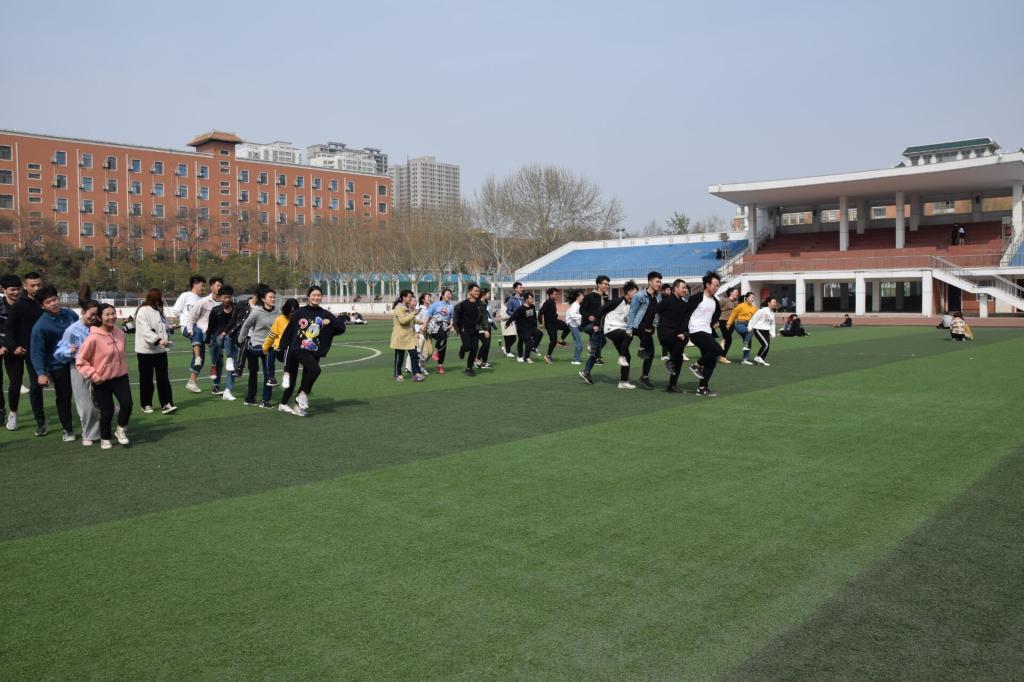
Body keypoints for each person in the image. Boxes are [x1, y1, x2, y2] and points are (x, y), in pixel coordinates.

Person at [277, 286, 344, 417]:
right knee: (315, 370)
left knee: (307, 377)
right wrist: (281, 348)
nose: (316, 297)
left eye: (318, 295)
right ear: (308, 296)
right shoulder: (299, 312)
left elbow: (341, 327)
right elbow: (289, 331)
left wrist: (330, 322)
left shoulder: (324, 313)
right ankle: (301, 395)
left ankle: (298, 406)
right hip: (299, 348)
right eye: (314, 295)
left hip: (314, 350)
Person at [76, 303, 133, 449]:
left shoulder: (120, 333)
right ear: (100, 318)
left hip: (120, 376)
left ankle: (120, 430)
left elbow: (121, 352)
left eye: (113, 314)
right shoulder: (93, 338)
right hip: (101, 380)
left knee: (127, 404)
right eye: (107, 315)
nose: (111, 317)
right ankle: (105, 437)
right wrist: (94, 375)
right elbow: (81, 361)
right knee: (107, 412)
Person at [29, 285, 79, 440]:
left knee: (89, 390)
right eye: (48, 302)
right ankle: (68, 430)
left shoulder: (70, 314)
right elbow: (37, 352)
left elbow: (82, 329)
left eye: (54, 299)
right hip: (58, 366)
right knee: (64, 397)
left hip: (77, 361)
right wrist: (41, 373)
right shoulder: (40, 326)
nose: (53, 303)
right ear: (42, 306)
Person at [54, 292, 101, 445]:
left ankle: (103, 429)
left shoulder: (98, 328)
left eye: (96, 315)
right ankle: (89, 435)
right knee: (85, 405)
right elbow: (59, 353)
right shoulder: (72, 330)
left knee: (102, 402)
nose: (94, 317)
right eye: (91, 314)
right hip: (79, 369)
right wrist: (69, 351)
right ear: (83, 312)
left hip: (99, 368)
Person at [4, 272, 45, 433]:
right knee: (15, 384)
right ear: (26, 286)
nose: (36, 288)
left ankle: (40, 421)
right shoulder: (19, 305)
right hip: (15, 351)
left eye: (38, 285)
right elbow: (8, 328)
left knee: (36, 385)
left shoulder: (44, 303)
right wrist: (13, 346)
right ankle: (13, 414)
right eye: (32, 285)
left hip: (35, 351)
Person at [681, 271, 724, 397]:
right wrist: (682, 331)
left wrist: (714, 323)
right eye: (715, 285)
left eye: (718, 286)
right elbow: (684, 313)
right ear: (707, 284)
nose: (716, 288)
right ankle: (696, 365)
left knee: (711, 361)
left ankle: (702, 388)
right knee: (718, 350)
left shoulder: (715, 301)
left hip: (707, 332)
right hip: (695, 331)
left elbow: (715, 314)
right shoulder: (696, 298)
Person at [134, 288, 177, 415]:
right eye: (161, 297)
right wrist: (158, 340)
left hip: (160, 350)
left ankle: (167, 403)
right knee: (146, 378)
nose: (162, 299)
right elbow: (145, 330)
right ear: (155, 298)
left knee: (163, 378)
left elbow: (161, 326)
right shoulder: (143, 310)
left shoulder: (159, 310)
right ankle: (146, 404)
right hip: (145, 351)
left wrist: (170, 327)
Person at [237, 288, 279, 407]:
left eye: (274, 297)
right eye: (270, 297)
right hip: (255, 345)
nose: (273, 299)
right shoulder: (256, 312)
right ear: (263, 299)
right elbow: (246, 325)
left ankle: (265, 400)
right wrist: (241, 340)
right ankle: (250, 397)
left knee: (268, 372)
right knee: (253, 371)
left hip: (269, 346)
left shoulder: (278, 313)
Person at [205, 285, 245, 401]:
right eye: (224, 297)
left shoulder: (237, 309)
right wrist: (207, 340)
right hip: (217, 339)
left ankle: (228, 390)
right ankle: (216, 384)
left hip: (231, 339)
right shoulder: (215, 311)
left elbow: (239, 324)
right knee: (217, 363)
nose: (227, 299)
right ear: (219, 298)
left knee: (231, 366)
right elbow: (210, 327)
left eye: (229, 297)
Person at [626, 271, 663, 389]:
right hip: (639, 325)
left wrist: (655, 325)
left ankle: (644, 375)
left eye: (660, 282)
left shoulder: (658, 296)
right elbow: (632, 312)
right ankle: (642, 349)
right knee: (649, 347)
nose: (659, 284)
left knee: (651, 352)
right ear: (650, 282)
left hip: (650, 326)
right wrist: (629, 328)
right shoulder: (639, 295)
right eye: (657, 281)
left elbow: (658, 313)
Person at [170, 275, 206, 393]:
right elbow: (175, 311)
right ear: (195, 284)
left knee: (202, 357)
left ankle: (192, 382)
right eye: (202, 285)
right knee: (196, 331)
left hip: (200, 329)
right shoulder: (185, 296)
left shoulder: (203, 300)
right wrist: (183, 319)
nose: (203, 288)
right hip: (187, 327)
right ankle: (197, 357)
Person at [603, 280, 640, 389]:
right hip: (611, 329)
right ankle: (621, 356)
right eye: (635, 292)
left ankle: (623, 382)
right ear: (628, 292)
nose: (636, 295)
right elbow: (602, 309)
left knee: (628, 356)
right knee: (628, 334)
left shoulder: (631, 305)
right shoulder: (617, 301)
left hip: (621, 329)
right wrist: (596, 324)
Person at [655, 279, 690, 394]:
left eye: (685, 288)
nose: (685, 290)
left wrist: (681, 332)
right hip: (665, 333)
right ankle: (670, 361)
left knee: (679, 358)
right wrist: (648, 326)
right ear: (675, 288)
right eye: (683, 288)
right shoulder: (667, 301)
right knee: (682, 342)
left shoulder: (684, 304)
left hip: (676, 334)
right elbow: (654, 311)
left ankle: (672, 385)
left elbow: (684, 321)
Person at [578, 275, 611, 381]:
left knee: (603, 341)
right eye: (605, 284)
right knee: (596, 346)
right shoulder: (589, 296)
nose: (607, 286)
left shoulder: (605, 297)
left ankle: (592, 354)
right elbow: (581, 310)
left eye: (608, 284)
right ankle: (592, 349)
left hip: (599, 326)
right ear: (598, 284)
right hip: (588, 325)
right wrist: (588, 316)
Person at [263, 297, 298, 391]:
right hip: (280, 349)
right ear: (286, 310)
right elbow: (271, 335)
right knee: (272, 350)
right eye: (291, 311)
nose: (292, 314)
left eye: (294, 311)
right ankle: (273, 377)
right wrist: (265, 347)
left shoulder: (299, 320)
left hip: (294, 351)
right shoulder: (279, 320)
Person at [390, 290, 424, 382]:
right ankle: (398, 374)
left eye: (411, 297)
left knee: (414, 355)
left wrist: (423, 322)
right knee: (400, 357)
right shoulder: (398, 308)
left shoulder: (407, 307)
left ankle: (416, 374)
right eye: (409, 297)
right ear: (403, 297)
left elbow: (412, 320)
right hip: (400, 337)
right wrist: (414, 313)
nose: (411, 298)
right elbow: (403, 321)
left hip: (409, 337)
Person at [0, 274, 20, 426]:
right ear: (4, 290)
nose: (16, 292)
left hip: (15, 348)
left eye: (18, 289)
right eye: (12, 289)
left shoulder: (23, 305)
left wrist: (9, 345)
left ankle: (13, 413)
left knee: (15, 382)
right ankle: (1, 410)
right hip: (1, 347)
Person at [452, 284, 483, 376]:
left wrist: (485, 329)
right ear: (470, 292)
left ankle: (469, 368)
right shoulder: (463, 304)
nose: (477, 292)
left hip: (475, 329)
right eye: (475, 291)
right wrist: (455, 327)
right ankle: (463, 348)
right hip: (464, 328)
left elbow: (484, 316)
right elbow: (456, 313)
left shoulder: (480, 304)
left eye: (478, 291)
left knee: (474, 349)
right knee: (468, 346)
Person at [425, 289, 455, 374]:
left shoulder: (451, 306)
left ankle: (440, 366)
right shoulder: (436, 304)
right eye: (447, 294)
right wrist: (424, 325)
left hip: (444, 326)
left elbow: (452, 317)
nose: (449, 295)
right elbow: (428, 315)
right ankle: (436, 351)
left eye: (450, 294)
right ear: (442, 295)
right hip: (434, 325)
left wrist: (451, 325)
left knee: (444, 345)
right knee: (443, 337)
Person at [538, 288, 570, 364]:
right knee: (553, 340)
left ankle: (561, 341)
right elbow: (540, 312)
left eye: (557, 294)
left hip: (556, 321)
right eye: (555, 294)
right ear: (550, 295)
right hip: (550, 325)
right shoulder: (547, 303)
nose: (557, 295)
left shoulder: (553, 302)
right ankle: (548, 356)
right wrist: (540, 323)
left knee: (567, 328)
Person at [508, 291, 541, 363]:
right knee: (523, 341)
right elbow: (513, 316)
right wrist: (507, 324)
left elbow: (534, 317)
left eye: (532, 298)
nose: (532, 300)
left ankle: (532, 348)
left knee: (539, 334)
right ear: (526, 299)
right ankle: (522, 356)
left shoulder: (532, 306)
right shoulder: (521, 308)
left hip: (530, 327)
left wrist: (535, 325)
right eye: (531, 299)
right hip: (522, 329)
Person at [725, 291, 758, 365]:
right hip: (740, 325)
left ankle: (745, 360)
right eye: (751, 297)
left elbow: (757, 317)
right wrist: (729, 323)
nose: (752, 299)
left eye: (753, 298)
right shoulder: (740, 306)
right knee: (750, 331)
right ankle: (745, 344)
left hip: (748, 325)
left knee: (749, 342)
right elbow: (733, 314)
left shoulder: (754, 308)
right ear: (746, 298)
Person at [749, 297, 779, 366]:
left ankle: (761, 360)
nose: (775, 304)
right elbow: (754, 318)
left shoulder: (772, 313)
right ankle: (757, 357)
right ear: (768, 303)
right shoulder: (763, 310)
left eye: (775, 302)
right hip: (758, 329)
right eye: (773, 302)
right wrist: (750, 327)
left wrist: (773, 333)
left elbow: (772, 324)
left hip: (766, 331)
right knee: (765, 345)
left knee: (767, 347)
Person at [717, 286, 739, 363]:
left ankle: (722, 355)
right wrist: (716, 320)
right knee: (728, 338)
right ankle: (722, 355)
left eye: (737, 292)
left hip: (732, 322)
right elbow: (716, 308)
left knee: (728, 339)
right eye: (736, 292)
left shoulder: (735, 303)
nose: (737, 293)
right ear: (731, 292)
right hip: (723, 321)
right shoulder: (724, 300)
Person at [474, 288, 495, 369]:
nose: (489, 295)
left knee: (488, 345)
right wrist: (485, 329)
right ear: (483, 294)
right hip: (481, 327)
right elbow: (481, 317)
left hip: (487, 326)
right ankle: (477, 359)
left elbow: (486, 316)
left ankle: (484, 362)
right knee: (486, 344)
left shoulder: (485, 302)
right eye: (488, 293)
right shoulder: (478, 303)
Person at [503, 282, 525, 356]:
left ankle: (524, 353)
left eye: (522, 287)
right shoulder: (511, 300)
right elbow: (508, 311)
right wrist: (515, 315)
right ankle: (520, 355)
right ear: (515, 289)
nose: (521, 289)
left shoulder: (523, 299)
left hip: (525, 321)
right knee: (520, 338)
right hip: (517, 322)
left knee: (525, 337)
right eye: (520, 287)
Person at [565, 289, 584, 365]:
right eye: (582, 296)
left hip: (574, 325)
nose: (583, 297)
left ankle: (575, 359)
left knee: (578, 343)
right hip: (573, 325)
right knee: (579, 343)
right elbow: (572, 315)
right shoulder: (575, 305)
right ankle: (575, 360)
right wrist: (580, 316)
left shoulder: (576, 305)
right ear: (577, 297)